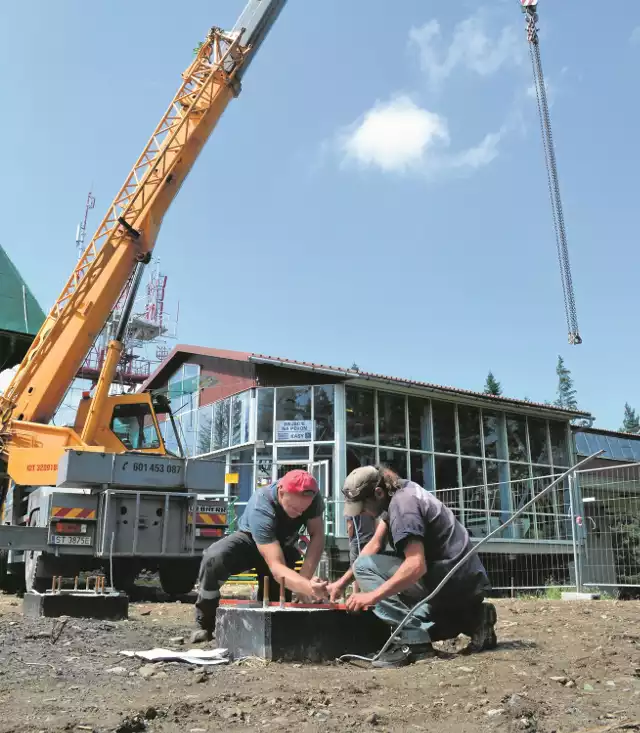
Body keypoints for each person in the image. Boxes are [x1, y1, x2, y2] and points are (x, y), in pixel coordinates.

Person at [327, 466, 497, 668]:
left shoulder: (402, 507)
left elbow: (416, 566)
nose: (362, 513)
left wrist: (371, 596)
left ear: (378, 493)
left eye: (363, 507)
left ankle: (414, 645)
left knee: (365, 568)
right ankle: (474, 617)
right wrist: (341, 583)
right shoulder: (401, 492)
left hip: (448, 580)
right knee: (419, 625)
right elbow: (374, 545)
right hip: (463, 583)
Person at [192, 469, 328, 642]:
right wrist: (307, 587)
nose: (300, 513)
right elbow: (277, 567)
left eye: (303, 510)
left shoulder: (313, 497)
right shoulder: (262, 504)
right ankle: (205, 623)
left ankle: (273, 634)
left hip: (283, 544)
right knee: (214, 558)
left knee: (277, 606)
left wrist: (304, 579)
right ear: (281, 491)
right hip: (250, 543)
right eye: (294, 508)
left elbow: (317, 535)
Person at [346, 513, 377, 593]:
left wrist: (350, 541)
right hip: (370, 540)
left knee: (354, 567)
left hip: (357, 541)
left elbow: (350, 526)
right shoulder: (369, 505)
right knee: (370, 567)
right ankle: (369, 592)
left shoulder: (350, 508)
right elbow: (376, 522)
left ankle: (355, 593)